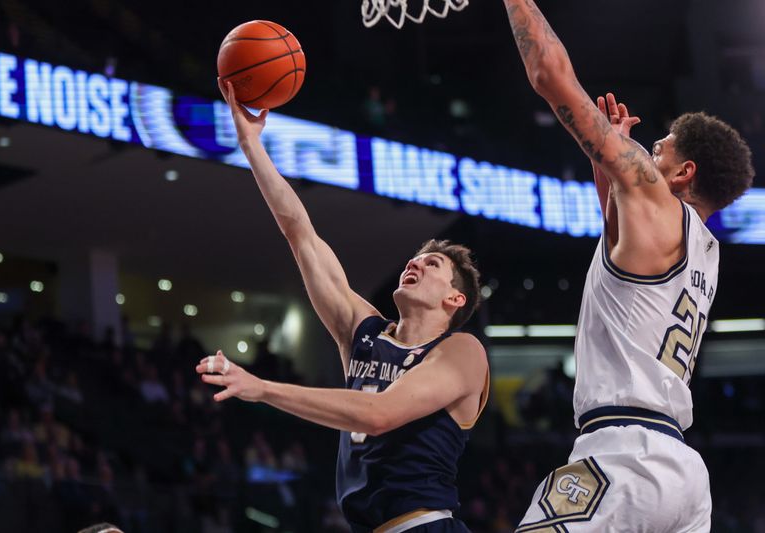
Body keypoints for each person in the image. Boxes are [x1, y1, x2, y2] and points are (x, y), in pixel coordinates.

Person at [499, 1, 754, 531]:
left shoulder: (657, 202)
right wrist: (606, 169)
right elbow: (624, 276)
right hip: (682, 472)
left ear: (682, 173)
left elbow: (551, 74)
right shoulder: (704, 250)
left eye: (655, 150)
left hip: (624, 453)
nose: (641, 150)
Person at [196, 80, 490, 533]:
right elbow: (301, 235)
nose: (415, 263)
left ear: (456, 298)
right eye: (414, 258)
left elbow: (378, 416)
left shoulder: (461, 351)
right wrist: (251, 145)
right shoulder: (366, 334)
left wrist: (263, 389)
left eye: (432, 264)